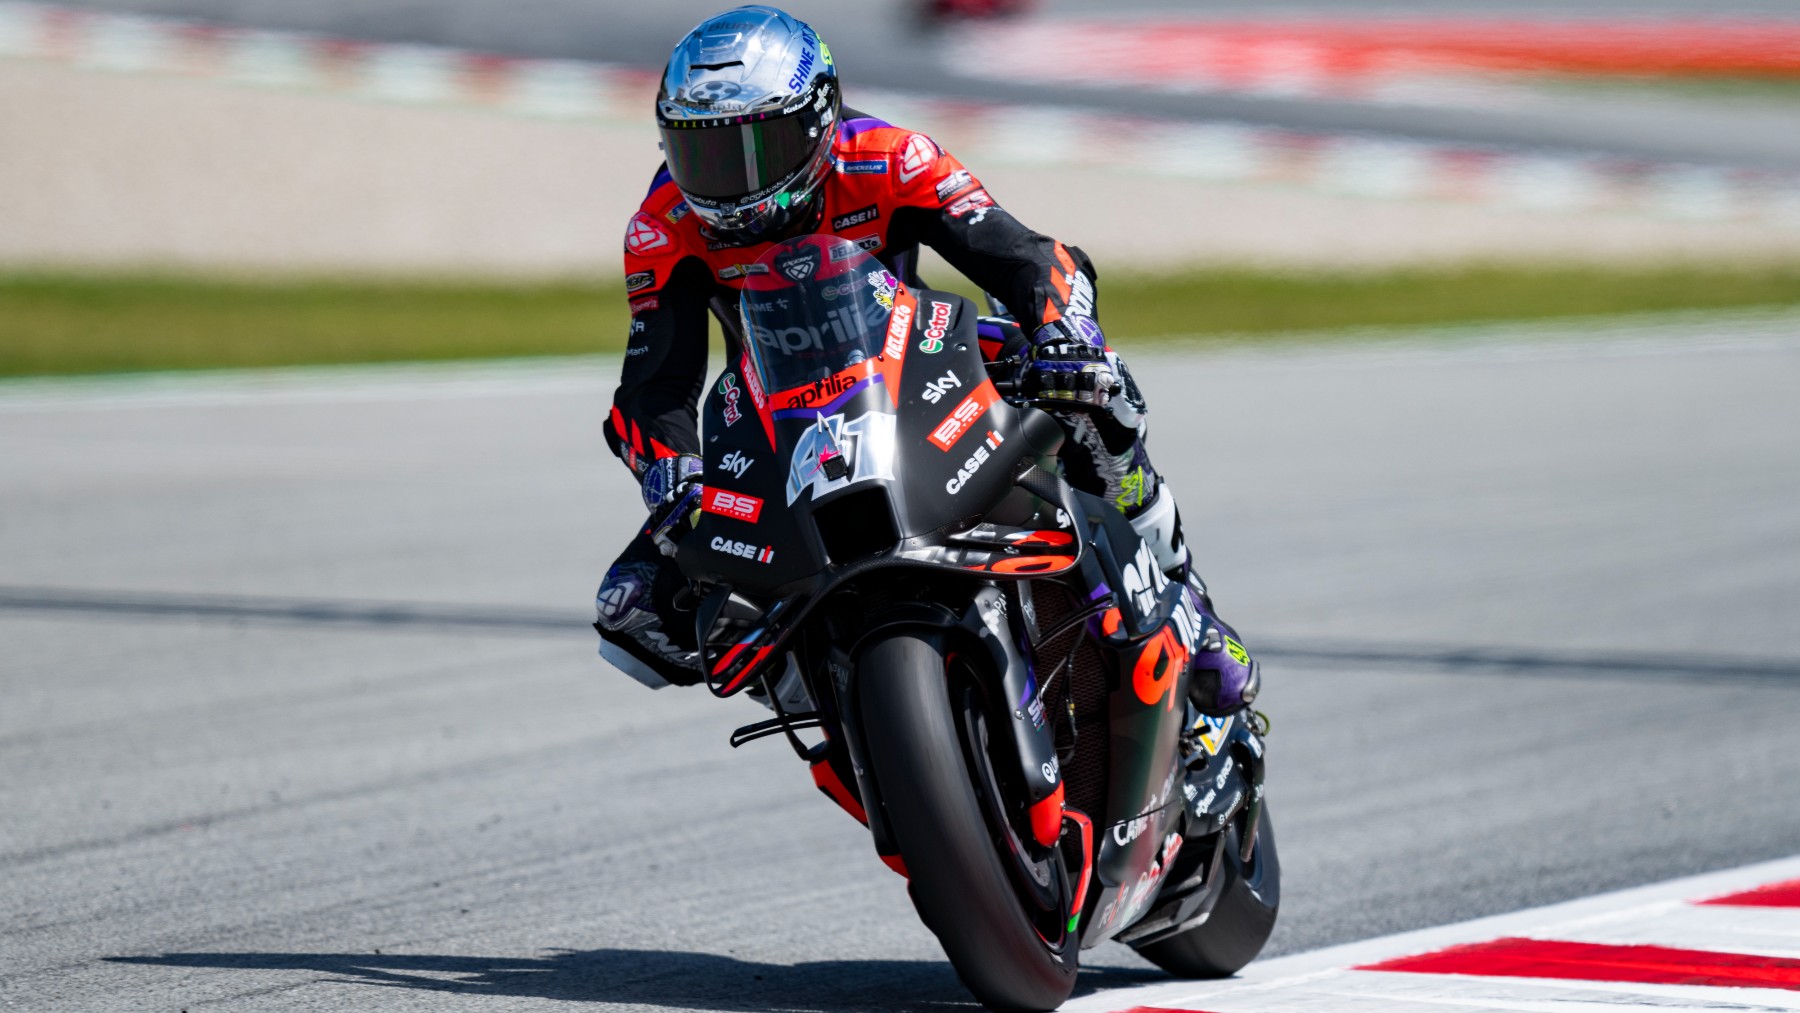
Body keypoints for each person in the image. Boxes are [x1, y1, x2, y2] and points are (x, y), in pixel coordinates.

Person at [595, 5, 1255, 716]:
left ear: (819, 120)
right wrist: (673, 468)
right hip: (777, 414)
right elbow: (653, 383)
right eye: (706, 155)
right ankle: (826, 698)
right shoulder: (662, 227)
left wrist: (1064, 331)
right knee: (632, 609)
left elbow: (1026, 256)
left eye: (759, 148)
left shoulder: (891, 156)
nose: (732, 183)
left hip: (924, 359)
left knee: (1100, 395)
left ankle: (1183, 594)